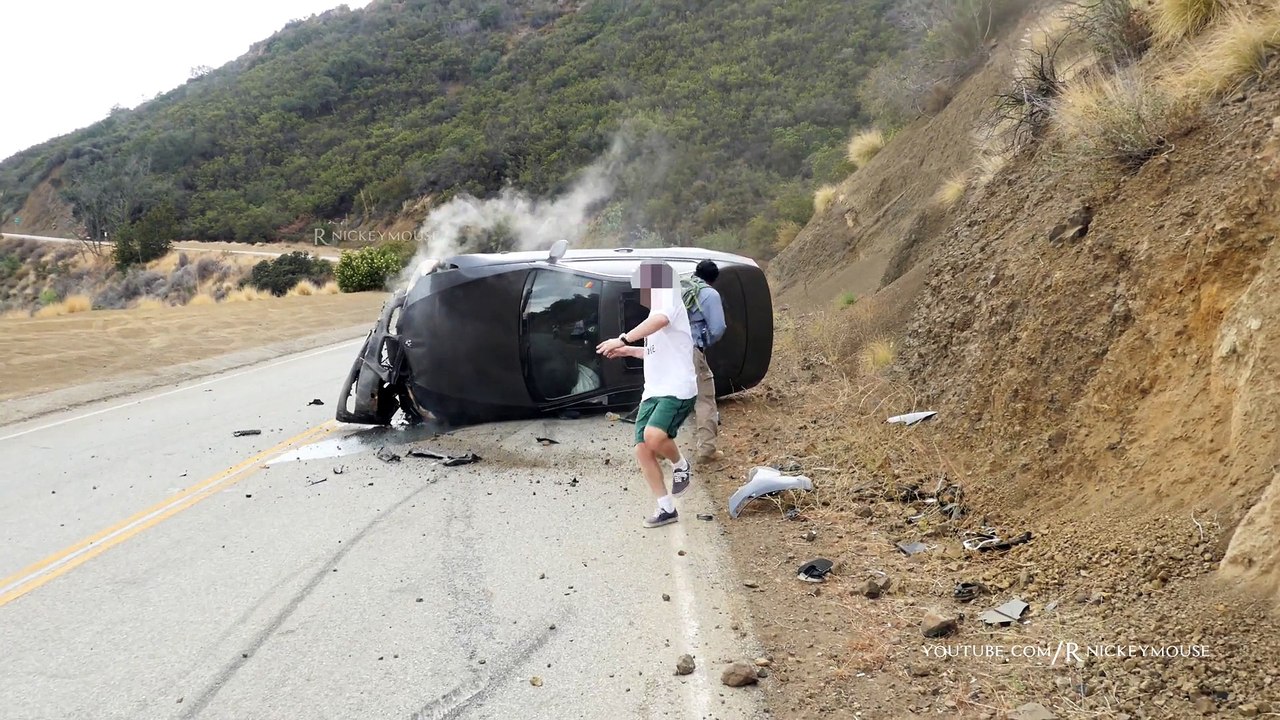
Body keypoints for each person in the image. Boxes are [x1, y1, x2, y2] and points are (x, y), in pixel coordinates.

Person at [596, 260, 697, 528]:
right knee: (642, 450)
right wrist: (629, 351)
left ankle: (680, 465)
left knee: (654, 436)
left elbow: (660, 320)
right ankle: (666, 508)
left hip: (676, 389)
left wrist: (623, 339)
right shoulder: (656, 310)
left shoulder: (669, 299)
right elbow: (654, 352)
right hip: (652, 391)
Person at [684, 260, 727, 464]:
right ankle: (707, 450)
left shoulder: (682, 286)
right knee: (705, 398)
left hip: (671, 350)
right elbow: (718, 328)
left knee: (671, 397)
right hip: (692, 350)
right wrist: (704, 341)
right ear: (714, 279)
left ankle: (657, 445)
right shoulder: (710, 294)